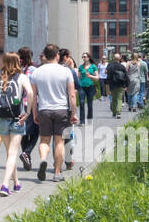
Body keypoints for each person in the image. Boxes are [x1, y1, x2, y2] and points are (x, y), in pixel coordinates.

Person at [32, 44, 78, 182]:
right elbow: (71, 95)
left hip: (44, 109)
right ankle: (57, 172)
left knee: (44, 140)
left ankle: (43, 159)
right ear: (57, 55)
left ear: (45, 55)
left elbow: (34, 97)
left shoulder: (36, 72)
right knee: (59, 141)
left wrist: (34, 112)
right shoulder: (66, 72)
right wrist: (73, 113)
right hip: (61, 109)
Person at [0, 52, 32, 196]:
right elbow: (31, 93)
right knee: (12, 154)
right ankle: (4, 185)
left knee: (10, 153)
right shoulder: (22, 77)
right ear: (17, 62)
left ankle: (16, 182)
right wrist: (27, 113)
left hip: (1, 119)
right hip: (17, 119)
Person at [16, 46, 38, 172]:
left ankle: (26, 156)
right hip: (31, 103)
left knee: (23, 131)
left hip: (18, 105)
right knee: (36, 130)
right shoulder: (34, 70)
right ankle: (26, 152)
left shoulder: (17, 70)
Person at [106, 52, 129, 118]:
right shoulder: (122, 66)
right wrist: (126, 85)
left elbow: (108, 76)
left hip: (112, 85)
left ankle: (114, 112)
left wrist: (107, 86)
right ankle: (118, 113)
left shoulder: (110, 66)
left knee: (114, 99)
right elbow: (125, 76)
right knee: (119, 99)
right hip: (120, 85)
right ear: (120, 58)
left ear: (114, 58)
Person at [78, 52, 98, 124]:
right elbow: (78, 78)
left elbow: (97, 78)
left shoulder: (93, 66)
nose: (83, 58)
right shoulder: (80, 67)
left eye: (85, 57)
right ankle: (82, 121)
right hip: (82, 87)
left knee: (90, 104)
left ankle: (89, 120)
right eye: (82, 57)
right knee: (82, 103)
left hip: (90, 87)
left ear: (88, 58)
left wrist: (90, 76)